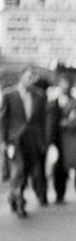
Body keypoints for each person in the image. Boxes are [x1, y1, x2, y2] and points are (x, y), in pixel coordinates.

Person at [0, 68, 48, 217]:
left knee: (32, 171)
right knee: (18, 170)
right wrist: (3, 141)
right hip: (15, 141)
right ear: (21, 77)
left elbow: (43, 121)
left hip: (33, 141)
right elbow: (3, 119)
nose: (31, 80)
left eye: (33, 77)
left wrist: (44, 141)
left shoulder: (40, 96)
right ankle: (20, 202)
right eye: (28, 77)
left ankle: (13, 196)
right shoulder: (9, 94)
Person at [48, 75, 76, 204]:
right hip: (59, 142)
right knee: (59, 170)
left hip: (75, 141)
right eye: (62, 84)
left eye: (67, 84)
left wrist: (67, 123)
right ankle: (59, 195)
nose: (64, 87)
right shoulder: (52, 103)